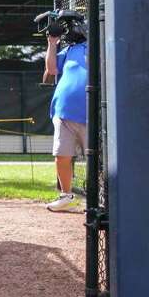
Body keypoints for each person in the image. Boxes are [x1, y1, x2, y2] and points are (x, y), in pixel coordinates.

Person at [43, 21, 88, 212]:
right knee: (62, 155)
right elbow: (51, 70)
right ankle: (66, 196)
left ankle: (103, 197)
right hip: (64, 111)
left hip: (90, 113)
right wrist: (52, 43)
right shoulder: (70, 49)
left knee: (97, 159)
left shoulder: (98, 45)